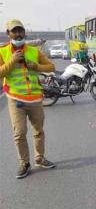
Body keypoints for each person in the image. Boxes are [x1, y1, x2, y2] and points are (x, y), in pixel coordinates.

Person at [0, 19, 56, 179]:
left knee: (39, 130)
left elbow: (51, 67)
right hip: (15, 98)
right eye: (14, 31)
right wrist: (12, 61)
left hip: (35, 98)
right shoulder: (2, 52)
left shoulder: (34, 50)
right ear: (8, 34)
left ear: (24, 32)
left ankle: (39, 158)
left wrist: (35, 66)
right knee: (19, 132)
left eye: (20, 30)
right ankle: (24, 163)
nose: (18, 34)